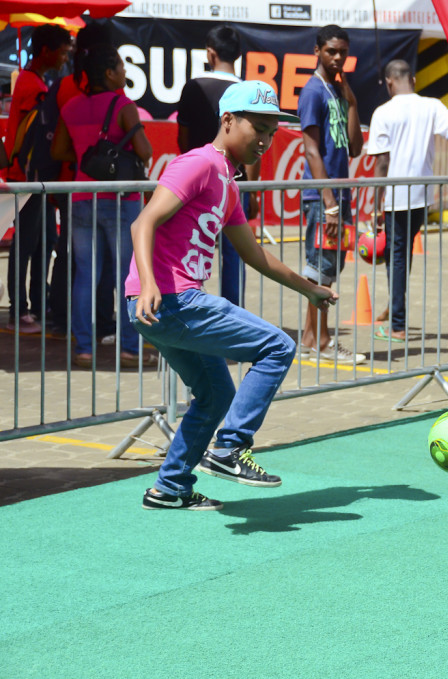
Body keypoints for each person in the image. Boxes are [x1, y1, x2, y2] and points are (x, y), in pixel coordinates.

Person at [129, 80, 337, 510]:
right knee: (277, 345)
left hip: (166, 305)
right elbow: (142, 223)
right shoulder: (199, 164)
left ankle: (170, 488)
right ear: (227, 121)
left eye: (270, 133)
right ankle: (228, 448)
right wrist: (149, 284)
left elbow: (255, 255)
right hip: (169, 299)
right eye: (257, 128)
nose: (263, 140)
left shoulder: (228, 182)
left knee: (215, 393)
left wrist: (310, 289)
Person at [51, 44, 154, 368]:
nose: (125, 72)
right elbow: (145, 150)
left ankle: (83, 348)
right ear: (109, 73)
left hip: (82, 196)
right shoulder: (123, 105)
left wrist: (89, 157)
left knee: (85, 275)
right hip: (119, 200)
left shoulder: (71, 106)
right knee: (129, 274)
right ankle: (129, 347)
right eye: (121, 66)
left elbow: (59, 152)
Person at [366, 59, 448, 343]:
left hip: (396, 196)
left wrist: (376, 203)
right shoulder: (432, 105)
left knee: (396, 256)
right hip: (422, 197)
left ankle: (397, 324)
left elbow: (382, 162)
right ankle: (394, 305)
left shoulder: (383, 112)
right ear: (411, 78)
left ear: (389, 82)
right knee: (401, 254)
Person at [297, 24, 364, 362]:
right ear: (318, 51)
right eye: (331, 52)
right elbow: (311, 151)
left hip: (338, 196)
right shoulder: (312, 91)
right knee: (320, 267)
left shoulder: (337, 92)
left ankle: (311, 339)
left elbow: (355, 146)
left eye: (343, 53)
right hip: (323, 198)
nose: (338, 58)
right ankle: (322, 342)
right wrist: (330, 204)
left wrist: (350, 98)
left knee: (326, 267)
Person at [177, 24, 256, 307]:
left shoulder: (193, 87)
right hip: (235, 184)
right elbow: (254, 147)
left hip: (196, 183)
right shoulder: (246, 91)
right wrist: (252, 190)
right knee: (235, 254)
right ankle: (234, 316)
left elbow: (183, 140)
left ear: (210, 52)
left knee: (190, 248)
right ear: (238, 54)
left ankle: (192, 309)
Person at [4, 25, 72, 334]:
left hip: (35, 178)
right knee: (27, 243)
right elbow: (30, 139)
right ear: (46, 51)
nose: (64, 57)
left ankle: (35, 302)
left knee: (45, 241)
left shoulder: (33, 81)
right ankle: (20, 311)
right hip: (28, 177)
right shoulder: (33, 85)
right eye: (62, 51)